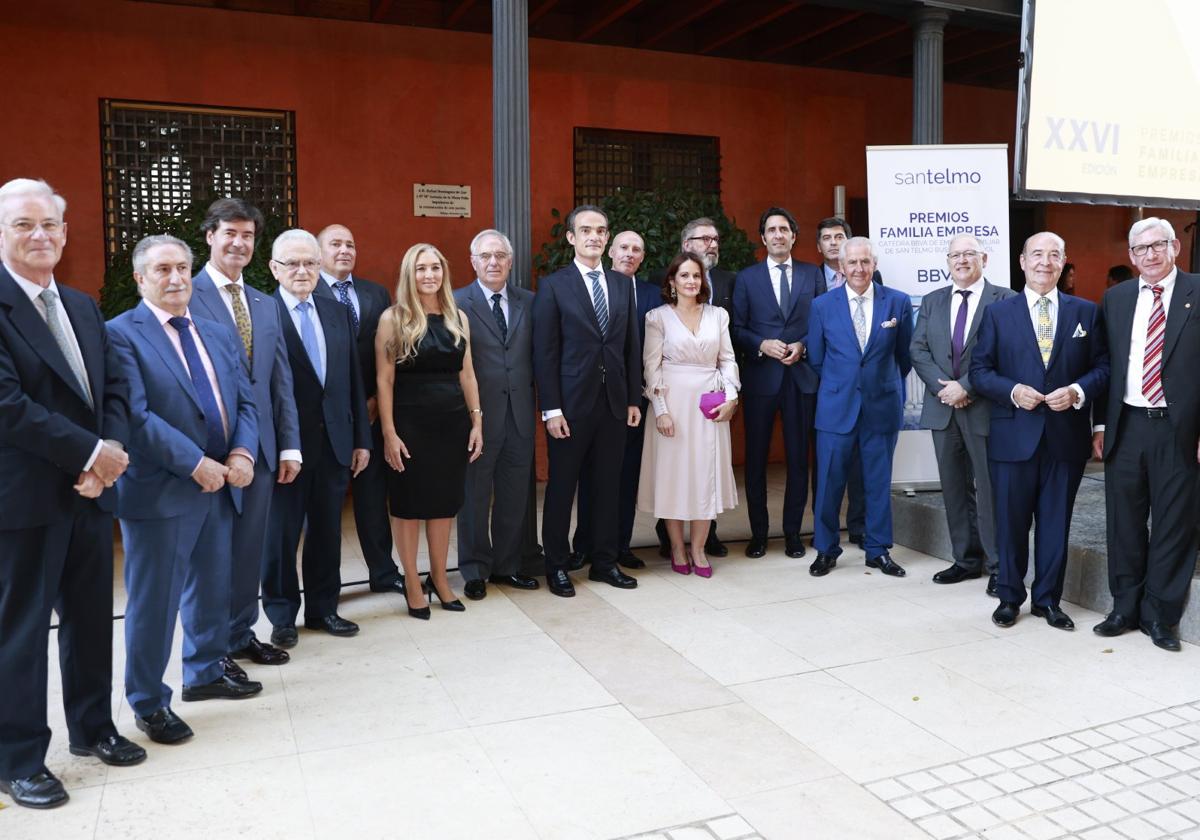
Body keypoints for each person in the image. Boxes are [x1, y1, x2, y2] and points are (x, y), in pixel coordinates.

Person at [0, 178, 144, 809]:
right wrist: (89, 453)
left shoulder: (82, 305)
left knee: (89, 619)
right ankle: (18, 759)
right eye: (23, 225)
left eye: (50, 225)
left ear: (65, 231)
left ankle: (93, 728)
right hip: (24, 498)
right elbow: (7, 406)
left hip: (90, 493)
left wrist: (104, 458)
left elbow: (111, 388)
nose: (40, 236)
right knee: (21, 631)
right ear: (1, 233)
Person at [108, 235, 260, 746]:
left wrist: (241, 453)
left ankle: (203, 672)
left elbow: (244, 402)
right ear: (140, 278)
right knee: (156, 603)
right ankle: (149, 702)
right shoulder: (119, 335)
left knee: (211, 586)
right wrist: (195, 464)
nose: (176, 279)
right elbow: (134, 416)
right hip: (161, 491)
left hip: (220, 483)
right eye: (163, 270)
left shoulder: (216, 333)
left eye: (183, 268)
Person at [970, 232, 1109, 631]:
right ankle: (1009, 597)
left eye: (1053, 255)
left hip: (1064, 437)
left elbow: (1103, 368)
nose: (1044, 262)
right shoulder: (998, 313)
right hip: (1013, 436)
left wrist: (1078, 391)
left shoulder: (1087, 312)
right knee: (1011, 523)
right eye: (1037, 255)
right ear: (1021, 261)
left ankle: (1048, 601)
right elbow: (980, 372)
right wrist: (1012, 391)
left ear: (1064, 261)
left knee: (1055, 523)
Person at [189, 199, 300, 666]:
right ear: (210, 236)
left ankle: (239, 635)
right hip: (210, 454)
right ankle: (208, 652)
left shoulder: (264, 303)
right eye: (229, 233)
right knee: (209, 559)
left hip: (263, 451)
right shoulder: (184, 292)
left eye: (248, 235)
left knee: (249, 551)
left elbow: (280, 380)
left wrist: (289, 444)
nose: (239, 243)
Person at [1092, 218, 1200, 651]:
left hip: (1181, 430)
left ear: (1174, 246)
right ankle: (1125, 608)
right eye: (1139, 250)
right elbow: (1106, 366)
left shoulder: (1197, 291)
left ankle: (1162, 617)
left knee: (1175, 524)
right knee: (1124, 523)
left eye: (1157, 246)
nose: (1149, 256)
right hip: (1128, 426)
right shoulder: (1115, 299)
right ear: (1131, 256)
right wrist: (1100, 424)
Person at [263, 230, 372, 644]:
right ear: (275, 268)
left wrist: (361, 438)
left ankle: (324, 609)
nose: (303, 271)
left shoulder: (335, 310)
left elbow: (351, 380)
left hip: (335, 443)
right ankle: (281, 616)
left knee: (327, 531)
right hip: (284, 447)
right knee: (281, 536)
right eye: (293, 263)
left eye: (310, 263)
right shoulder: (263, 312)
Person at [532, 205, 643, 597]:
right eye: (586, 230)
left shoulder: (620, 284)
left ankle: (603, 561)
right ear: (571, 238)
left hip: (613, 404)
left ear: (607, 238)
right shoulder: (553, 285)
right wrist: (551, 408)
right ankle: (557, 566)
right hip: (570, 408)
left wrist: (633, 399)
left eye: (600, 230)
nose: (594, 236)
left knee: (607, 488)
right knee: (562, 488)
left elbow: (630, 348)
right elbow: (544, 352)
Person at [376, 243, 483, 618]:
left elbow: (467, 374)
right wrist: (389, 432)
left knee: (443, 506)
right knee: (407, 508)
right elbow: (384, 380)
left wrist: (477, 423)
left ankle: (439, 578)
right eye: (421, 269)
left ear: (444, 272)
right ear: (410, 274)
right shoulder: (394, 318)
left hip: (451, 424)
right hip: (409, 424)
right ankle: (411, 582)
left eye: (435, 267)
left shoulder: (459, 317)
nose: (429, 275)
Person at [910, 235, 1015, 596]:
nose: (962, 260)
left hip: (984, 408)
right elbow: (918, 349)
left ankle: (1000, 566)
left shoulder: (1006, 300)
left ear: (984, 258)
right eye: (955, 255)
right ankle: (966, 560)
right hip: (943, 409)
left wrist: (966, 387)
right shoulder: (933, 300)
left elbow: (1006, 353)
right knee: (954, 488)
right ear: (948, 261)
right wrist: (945, 389)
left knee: (989, 491)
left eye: (969, 253)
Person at [807, 237, 913, 578]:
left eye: (865, 262)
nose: (858, 268)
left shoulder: (896, 303)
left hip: (881, 406)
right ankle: (825, 549)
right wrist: (845, 385)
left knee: (877, 483)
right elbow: (818, 359)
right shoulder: (822, 306)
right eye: (851, 263)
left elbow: (904, 357)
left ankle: (878, 550)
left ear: (874, 265)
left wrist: (875, 385)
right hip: (836, 408)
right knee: (828, 483)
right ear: (841, 266)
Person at [313, 224, 403, 598]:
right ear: (319, 253)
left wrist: (373, 404)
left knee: (372, 499)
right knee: (325, 509)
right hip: (323, 420)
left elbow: (387, 354)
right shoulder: (303, 292)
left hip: (370, 412)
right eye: (335, 244)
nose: (345, 250)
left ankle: (383, 572)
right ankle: (324, 589)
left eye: (351, 244)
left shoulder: (374, 293)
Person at [639, 252, 740, 577]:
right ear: (672, 281)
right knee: (674, 478)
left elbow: (728, 360)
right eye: (684, 275)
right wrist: (662, 411)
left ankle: (698, 548)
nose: (691, 281)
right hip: (672, 405)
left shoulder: (718, 315)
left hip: (709, 406)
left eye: (696, 276)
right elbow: (651, 367)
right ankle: (677, 547)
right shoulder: (657, 317)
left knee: (703, 476)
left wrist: (732, 397)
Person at [732, 207, 824, 559]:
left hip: (800, 378)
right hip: (761, 379)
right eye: (771, 229)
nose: (778, 235)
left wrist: (802, 345)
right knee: (755, 460)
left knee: (799, 460)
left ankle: (791, 533)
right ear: (763, 237)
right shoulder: (747, 278)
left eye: (784, 229)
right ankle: (758, 534)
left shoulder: (811, 274)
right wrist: (761, 344)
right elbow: (737, 328)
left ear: (794, 236)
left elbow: (820, 321)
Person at [454, 229, 540, 600]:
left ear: (510, 261)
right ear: (473, 261)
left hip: (519, 415)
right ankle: (474, 569)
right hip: (477, 419)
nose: (493, 262)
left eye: (500, 255)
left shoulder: (530, 302)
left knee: (514, 495)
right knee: (473, 495)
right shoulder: (457, 302)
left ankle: (508, 566)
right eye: (485, 256)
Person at [573, 229, 655, 570]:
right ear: (611, 251)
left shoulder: (653, 294)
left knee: (626, 475)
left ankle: (620, 544)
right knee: (590, 474)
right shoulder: (594, 285)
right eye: (623, 247)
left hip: (634, 400)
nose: (629, 254)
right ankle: (584, 544)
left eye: (637, 249)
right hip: (593, 396)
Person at [813, 217, 867, 547]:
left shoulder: (878, 286)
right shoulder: (813, 284)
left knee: (865, 474)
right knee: (828, 474)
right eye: (827, 238)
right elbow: (817, 354)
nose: (833, 242)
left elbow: (896, 353)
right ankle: (825, 543)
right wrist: (836, 382)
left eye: (839, 237)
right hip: (830, 395)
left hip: (869, 399)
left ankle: (862, 532)